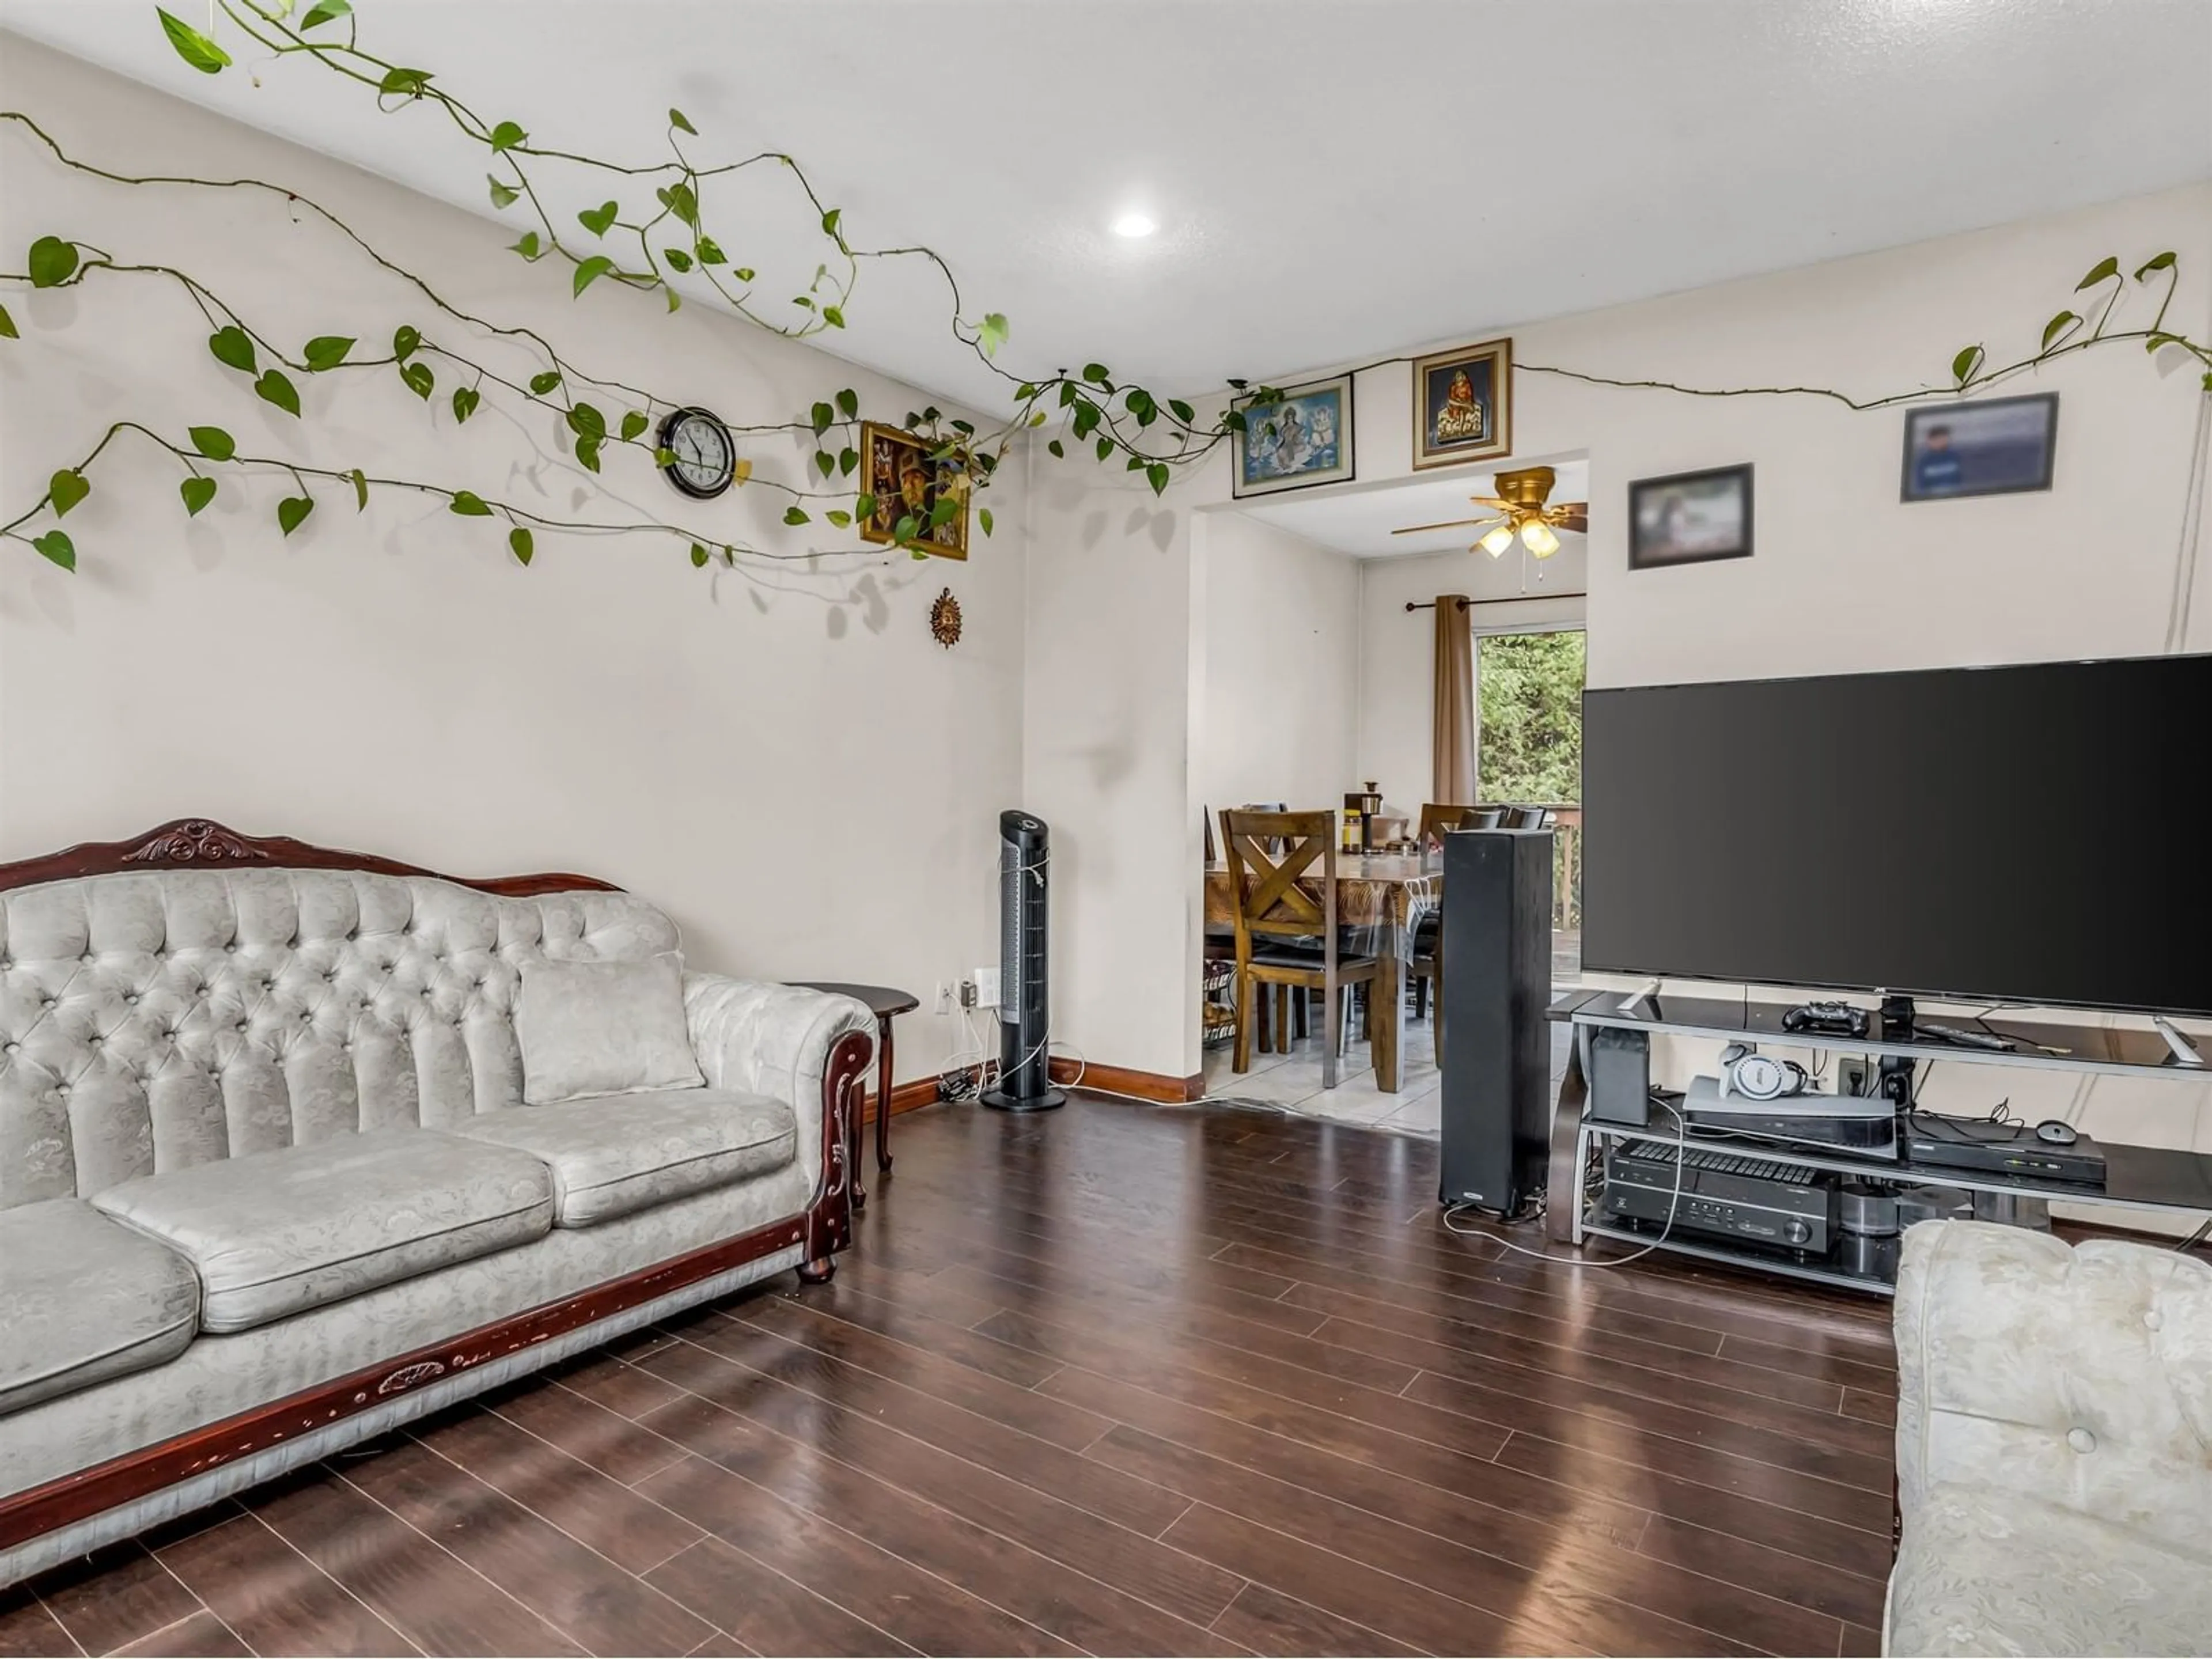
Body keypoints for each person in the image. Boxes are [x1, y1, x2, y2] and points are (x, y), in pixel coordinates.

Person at [1432, 366, 1487, 444]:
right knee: (1451, 402)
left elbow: (1469, 396)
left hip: (1465, 403)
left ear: (1463, 377)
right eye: (1458, 376)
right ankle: (1464, 405)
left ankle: (1461, 430)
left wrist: (1466, 401)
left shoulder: (1467, 385)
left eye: (1460, 375)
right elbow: (1452, 397)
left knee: (1462, 412)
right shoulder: (1453, 387)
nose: (1459, 377)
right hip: (1456, 404)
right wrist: (1459, 401)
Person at [1914, 424, 1965, 495]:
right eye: (1939, 438)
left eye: (1945, 438)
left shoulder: (1954, 457)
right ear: (1930, 440)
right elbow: (1921, 486)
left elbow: (1961, 480)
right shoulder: (1924, 461)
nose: (1944, 441)